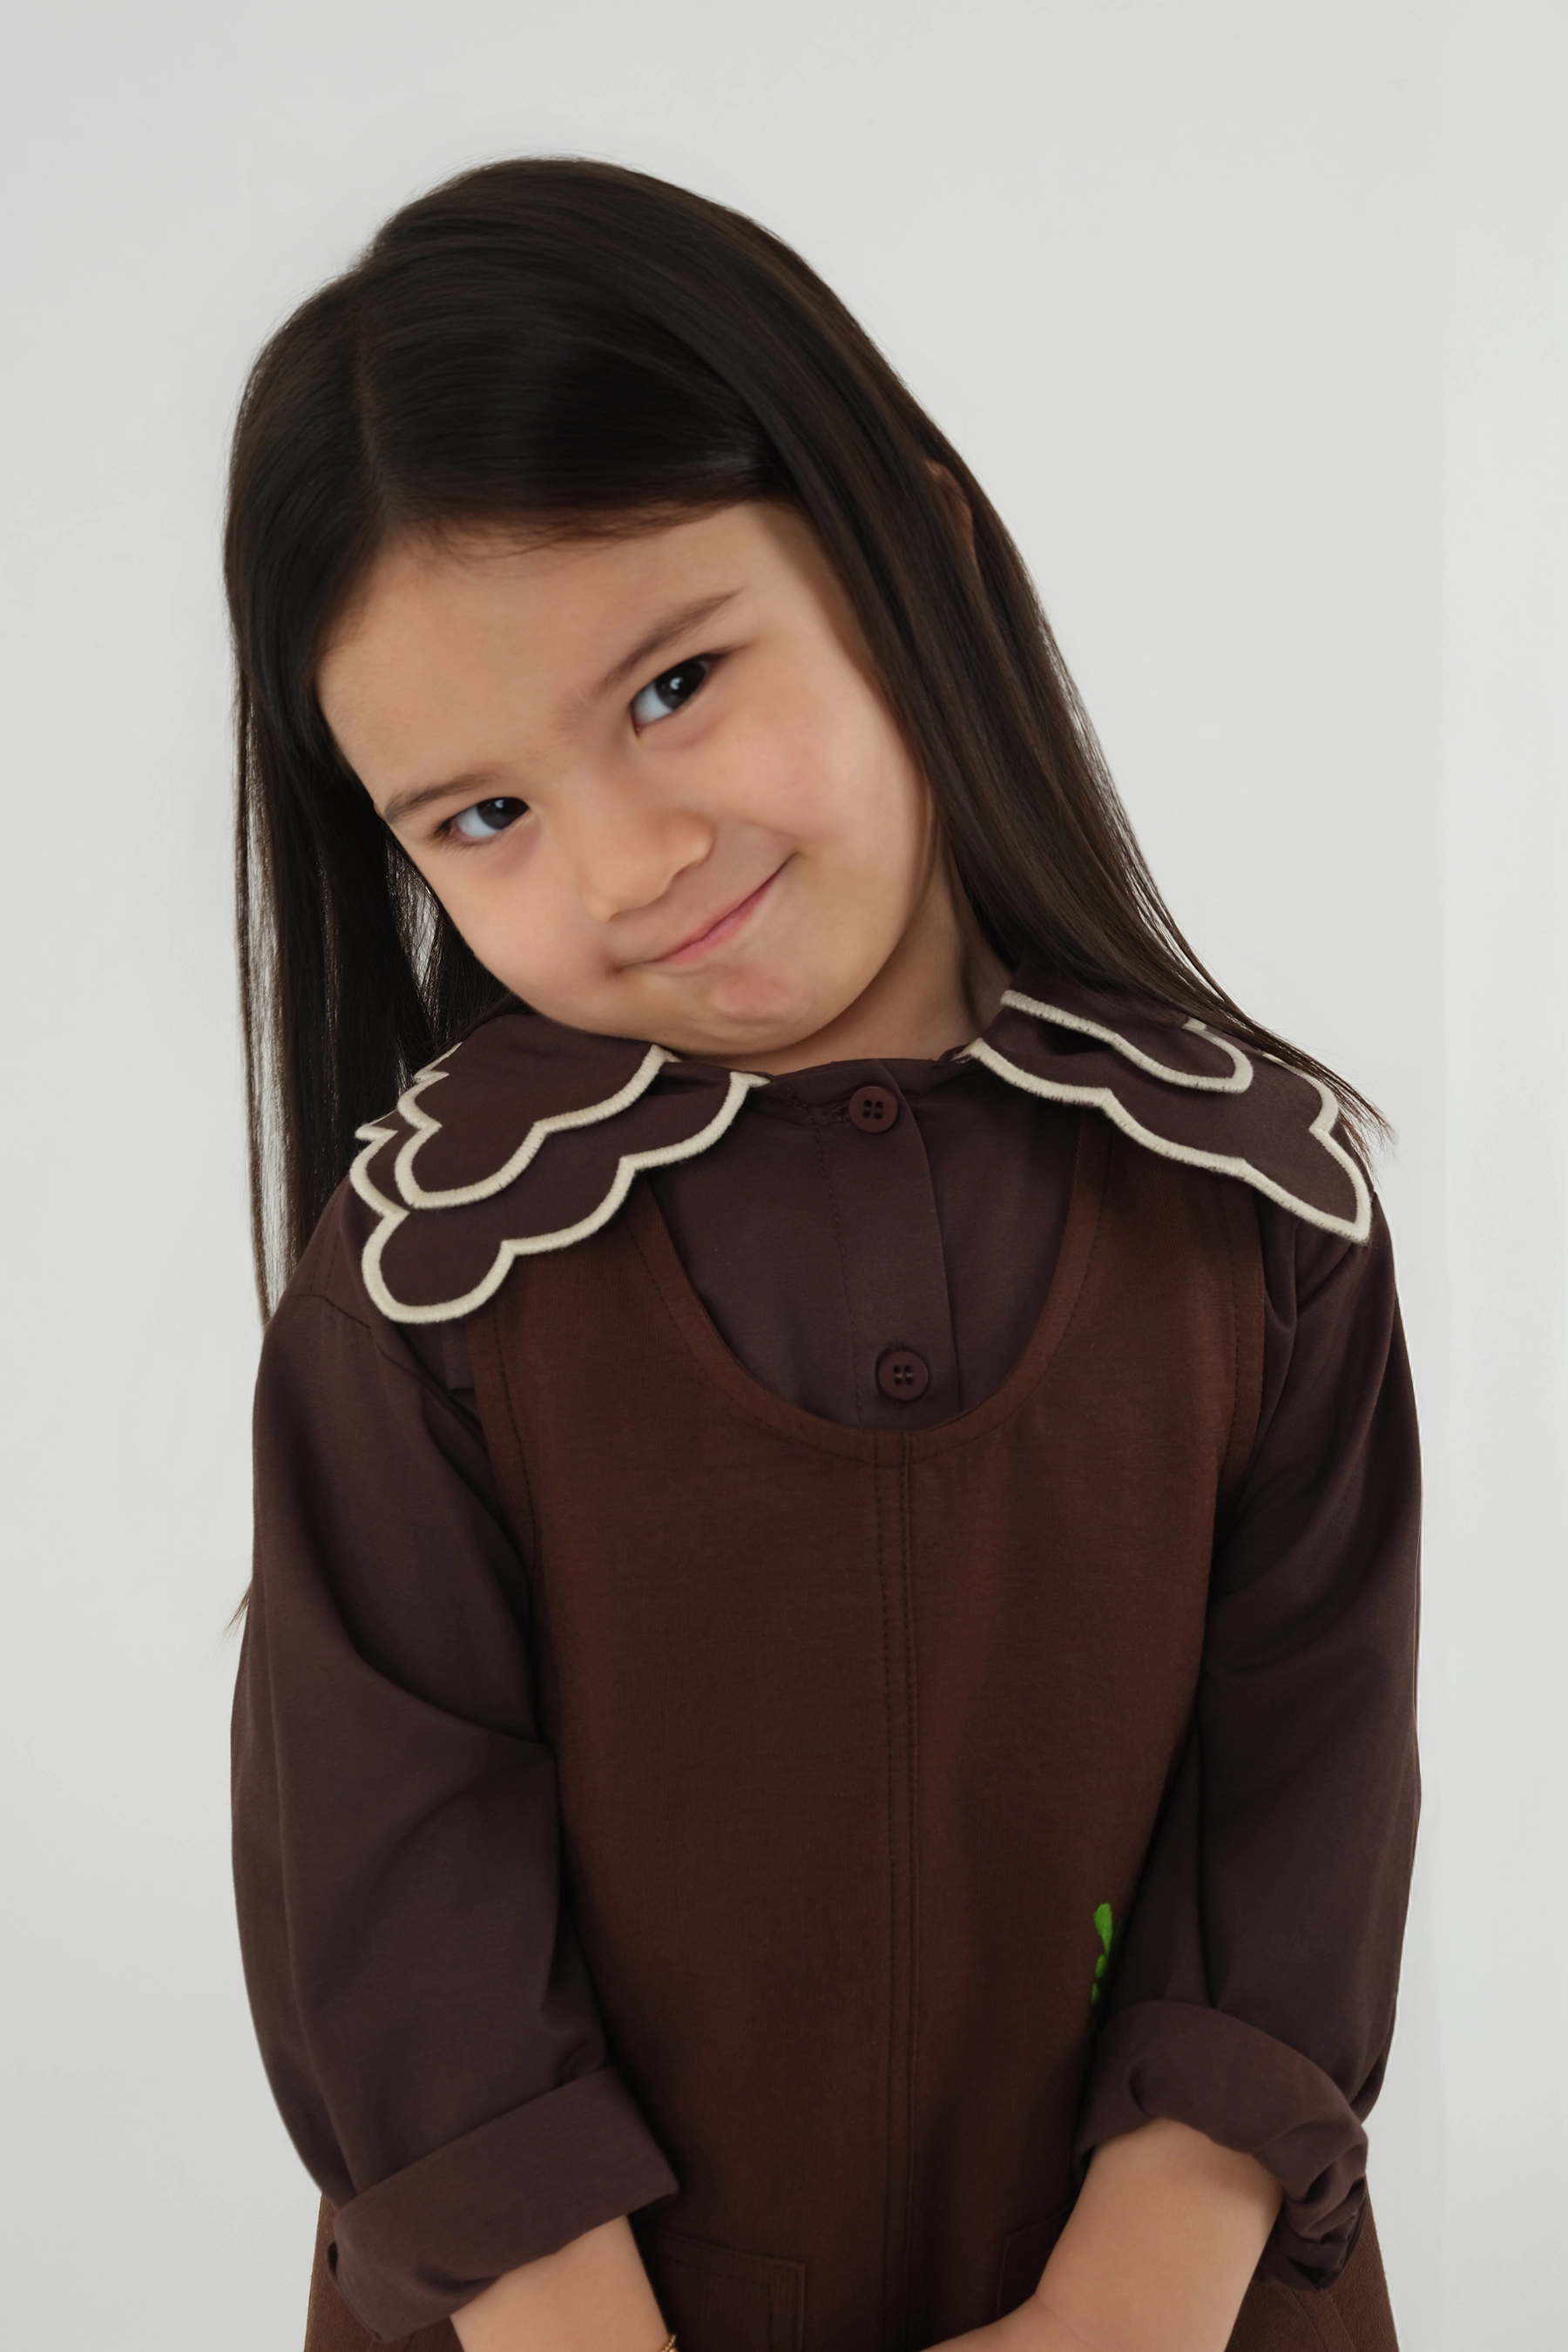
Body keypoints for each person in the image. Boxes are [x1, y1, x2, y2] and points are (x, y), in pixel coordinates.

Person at [227, 159, 1419, 2352]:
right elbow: (395, 1887)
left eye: (672, 684)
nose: (629, 862)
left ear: (917, 559)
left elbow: (1305, 1789)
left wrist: (1134, 2297)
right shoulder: (430, 1286)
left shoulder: (1256, 1207)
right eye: (484, 815)